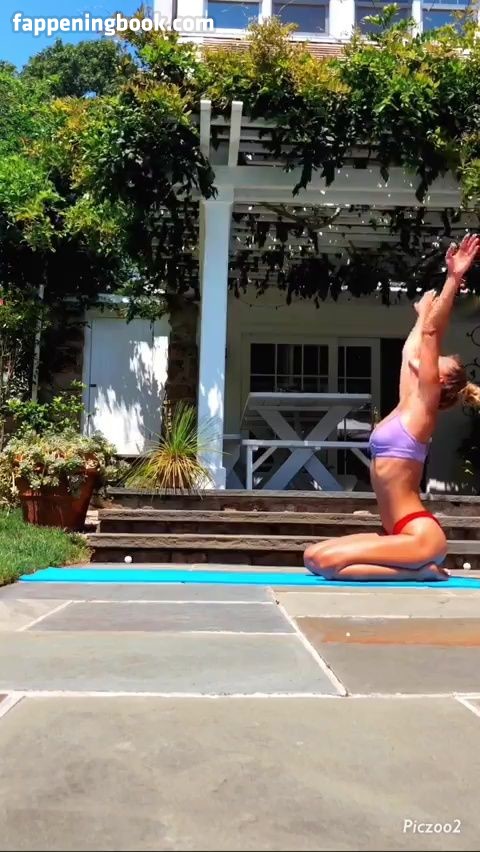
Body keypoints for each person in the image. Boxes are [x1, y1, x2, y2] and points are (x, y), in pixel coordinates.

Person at [304, 234, 480, 581]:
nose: (428, 360)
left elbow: (431, 336)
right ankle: (418, 569)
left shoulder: (423, 412)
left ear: (438, 382)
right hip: (398, 532)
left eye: (437, 361)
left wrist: (453, 278)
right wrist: (421, 315)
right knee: (313, 557)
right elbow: (411, 349)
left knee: (328, 564)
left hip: (419, 534)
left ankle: (420, 573)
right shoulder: (405, 405)